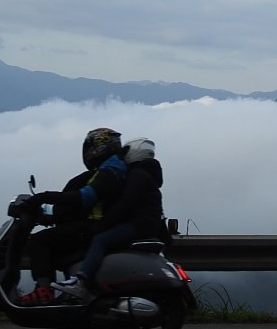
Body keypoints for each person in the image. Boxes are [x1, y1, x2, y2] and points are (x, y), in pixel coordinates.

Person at [18, 127, 128, 306]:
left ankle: (44, 290)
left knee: (39, 241)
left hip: (94, 227)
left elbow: (85, 198)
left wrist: (43, 197)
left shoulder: (110, 170)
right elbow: (85, 206)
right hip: (97, 225)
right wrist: (53, 217)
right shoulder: (111, 168)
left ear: (97, 147)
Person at [52, 137, 166, 301]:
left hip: (138, 225)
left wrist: (103, 224)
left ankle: (80, 281)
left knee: (100, 239)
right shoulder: (148, 175)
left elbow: (125, 203)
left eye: (125, 152)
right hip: (147, 225)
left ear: (133, 152)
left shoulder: (137, 175)